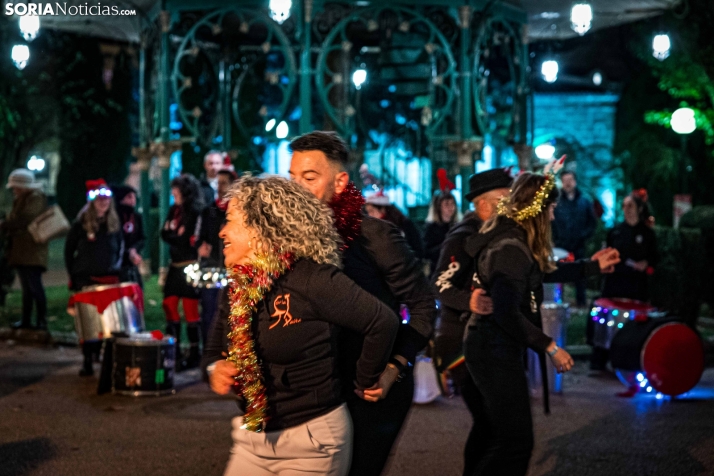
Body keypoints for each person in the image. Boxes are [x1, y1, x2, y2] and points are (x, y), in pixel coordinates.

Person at [203, 176, 399, 476]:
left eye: (231, 221)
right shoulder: (238, 287)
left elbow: (381, 321)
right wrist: (215, 368)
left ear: (260, 229)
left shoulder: (311, 279)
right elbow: (215, 350)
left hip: (313, 444)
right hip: (253, 439)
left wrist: (366, 379)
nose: (222, 232)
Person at [433, 169, 619, 475]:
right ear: (482, 204)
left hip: (491, 337)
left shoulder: (502, 233)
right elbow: (438, 284)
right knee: (502, 434)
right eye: (503, 199)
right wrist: (468, 300)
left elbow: (534, 269)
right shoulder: (470, 236)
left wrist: (589, 267)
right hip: (464, 341)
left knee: (496, 431)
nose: (511, 204)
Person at [289, 131, 436, 476]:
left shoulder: (376, 237)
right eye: (292, 178)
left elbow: (424, 305)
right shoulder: (284, 244)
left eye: (309, 178)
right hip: (316, 387)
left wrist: (393, 368)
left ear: (340, 182)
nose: (296, 189)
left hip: (370, 389)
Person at [592, 189, 658, 370]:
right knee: (609, 323)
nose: (627, 209)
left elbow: (655, 257)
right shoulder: (616, 232)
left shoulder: (647, 233)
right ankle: (601, 359)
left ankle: (629, 360)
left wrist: (646, 264)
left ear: (639, 208)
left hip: (636, 285)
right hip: (616, 283)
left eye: (631, 206)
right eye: (624, 206)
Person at [65, 179, 124, 376]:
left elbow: (121, 248)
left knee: (108, 323)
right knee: (88, 323)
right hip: (86, 279)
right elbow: (69, 250)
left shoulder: (115, 224)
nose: (103, 202)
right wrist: (74, 274)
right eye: (99, 198)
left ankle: (105, 360)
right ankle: (87, 360)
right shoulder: (81, 223)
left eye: (106, 198)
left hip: (109, 279)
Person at [161, 174, 205, 371]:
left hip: (189, 264)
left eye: (176, 189)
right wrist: (174, 235)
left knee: (190, 309)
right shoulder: (174, 210)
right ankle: (174, 348)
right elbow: (164, 233)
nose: (173, 193)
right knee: (169, 304)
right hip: (175, 265)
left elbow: (188, 237)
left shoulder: (195, 211)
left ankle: (195, 352)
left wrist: (176, 235)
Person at [1, 169, 48, 330]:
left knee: (34, 286)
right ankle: (26, 320)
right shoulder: (23, 198)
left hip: (32, 250)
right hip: (22, 250)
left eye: (16, 186)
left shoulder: (35, 198)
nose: (14, 190)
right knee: (27, 288)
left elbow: (25, 219)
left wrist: (5, 225)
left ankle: (41, 320)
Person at [196, 169, 235, 351]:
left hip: (233, 269)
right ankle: (209, 353)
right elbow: (198, 237)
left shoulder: (238, 211)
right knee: (209, 312)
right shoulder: (208, 210)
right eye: (217, 183)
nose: (219, 187)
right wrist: (200, 246)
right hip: (211, 269)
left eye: (223, 183)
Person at [552, 171, 597, 306]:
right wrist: (555, 239)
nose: (568, 183)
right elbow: (550, 222)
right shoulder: (557, 202)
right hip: (561, 245)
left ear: (575, 181)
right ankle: (558, 300)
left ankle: (580, 301)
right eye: (565, 180)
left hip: (578, 245)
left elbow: (592, 223)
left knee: (580, 273)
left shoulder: (584, 202)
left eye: (570, 180)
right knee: (559, 273)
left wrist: (583, 236)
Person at [365, 191, 425, 259]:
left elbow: (416, 247)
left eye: (372, 211)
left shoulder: (402, 224)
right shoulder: (372, 227)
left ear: (382, 209)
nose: (370, 215)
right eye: (368, 212)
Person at [111, 185, 145, 287]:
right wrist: (128, 252)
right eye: (129, 197)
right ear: (121, 199)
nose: (133, 200)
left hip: (132, 263)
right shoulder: (114, 217)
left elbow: (142, 238)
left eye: (134, 197)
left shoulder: (136, 217)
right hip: (118, 263)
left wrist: (135, 249)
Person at [423, 191, 460, 276]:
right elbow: (426, 252)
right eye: (446, 204)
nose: (451, 207)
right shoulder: (431, 228)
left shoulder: (458, 226)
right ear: (438, 207)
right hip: (437, 271)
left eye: (452, 204)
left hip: (455, 270)